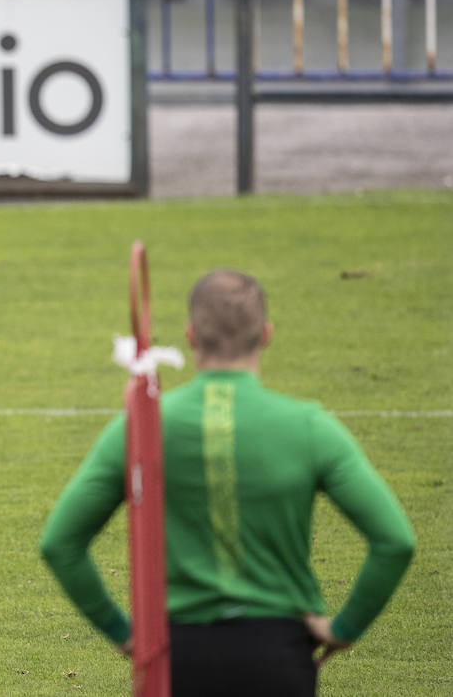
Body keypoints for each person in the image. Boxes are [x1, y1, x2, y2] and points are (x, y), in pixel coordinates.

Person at [39, 269, 416, 696]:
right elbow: (395, 541)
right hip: (279, 658)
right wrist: (345, 628)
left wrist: (122, 632)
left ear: (190, 335)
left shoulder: (144, 425)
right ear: (267, 334)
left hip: (179, 657)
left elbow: (60, 542)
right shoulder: (309, 426)